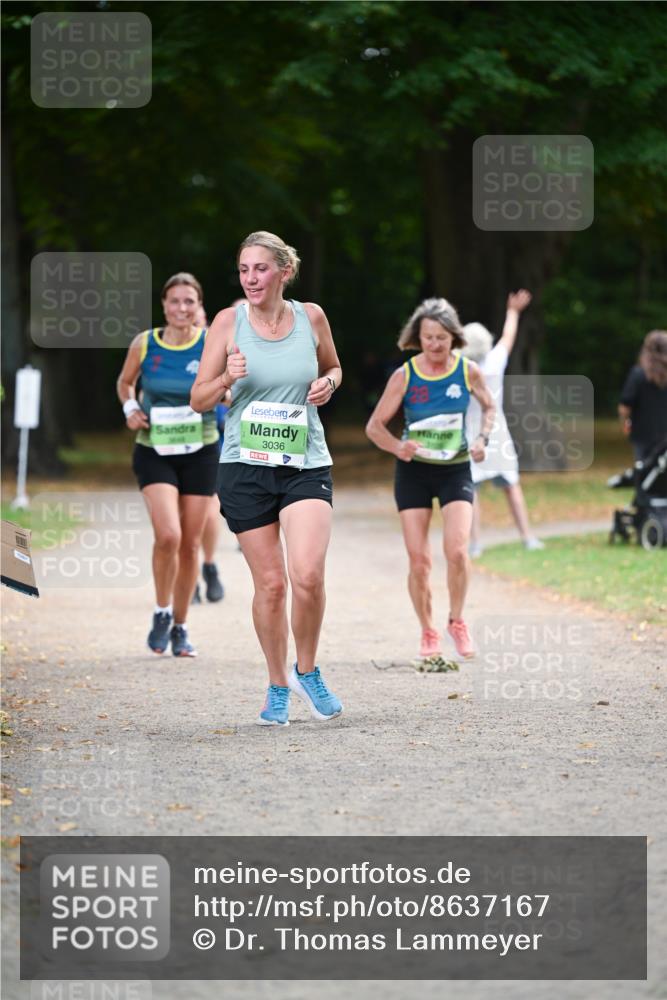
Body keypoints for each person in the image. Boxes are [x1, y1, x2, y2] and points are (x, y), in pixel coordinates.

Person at [191, 231, 343, 726]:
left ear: (284, 271)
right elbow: (198, 398)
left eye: (260, 268)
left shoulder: (311, 316)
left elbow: (334, 367)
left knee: (308, 575)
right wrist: (226, 379)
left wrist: (328, 383)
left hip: (305, 461)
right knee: (272, 586)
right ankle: (278, 683)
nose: (251, 278)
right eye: (243, 270)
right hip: (245, 465)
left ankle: (308, 670)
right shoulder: (227, 323)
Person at [365, 298, 495, 660]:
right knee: (419, 560)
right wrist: (398, 447)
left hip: (455, 470)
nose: (435, 345)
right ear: (417, 338)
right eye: (428, 338)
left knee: (456, 550)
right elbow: (374, 427)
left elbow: (489, 405)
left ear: (453, 337)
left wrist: (483, 438)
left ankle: (457, 620)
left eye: (441, 338)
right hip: (414, 473)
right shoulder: (405, 375)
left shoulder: (468, 371)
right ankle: (428, 630)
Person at [117, 273, 220, 657]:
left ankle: (181, 626)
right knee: (169, 536)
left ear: (198, 306)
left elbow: (229, 383)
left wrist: (222, 389)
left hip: (201, 450)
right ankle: (161, 610)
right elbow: (125, 383)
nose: (181, 308)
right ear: (163, 304)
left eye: (189, 301)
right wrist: (130, 408)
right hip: (155, 449)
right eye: (175, 301)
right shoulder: (145, 343)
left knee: (191, 544)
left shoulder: (211, 343)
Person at [461, 290, 544, 557]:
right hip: (496, 430)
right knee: (511, 484)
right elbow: (509, 337)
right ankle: (528, 537)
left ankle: (475, 543)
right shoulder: (495, 361)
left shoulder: (459, 367)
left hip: (470, 432)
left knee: (471, 489)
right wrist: (513, 311)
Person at [191, 303, 226, 605]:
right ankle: (187, 577)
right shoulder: (163, 348)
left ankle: (210, 563)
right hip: (170, 441)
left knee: (209, 506)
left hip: (214, 434)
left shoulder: (217, 347)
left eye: (199, 317)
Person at [618, 330, 667, 462]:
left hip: (642, 436)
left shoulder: (638, 374)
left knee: (645, 474)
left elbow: (624, 408)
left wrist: (625, 423)